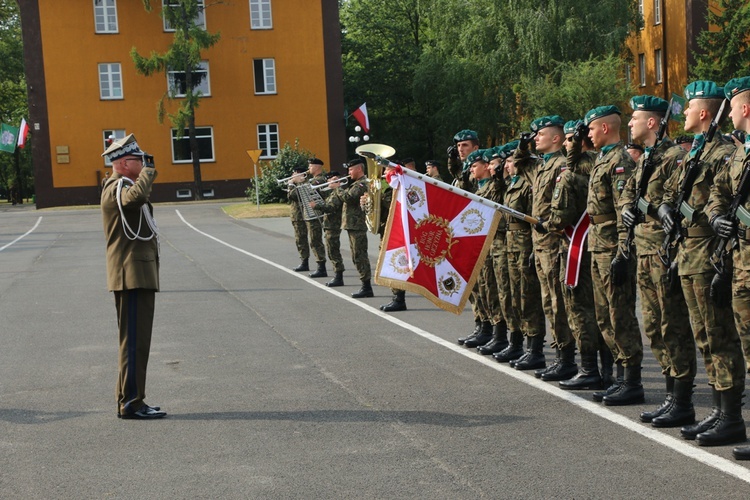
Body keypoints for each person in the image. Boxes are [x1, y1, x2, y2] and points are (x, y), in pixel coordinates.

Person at [667, 79, 744, 447]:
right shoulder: (698, 152)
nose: (682, 112)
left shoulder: (723, 152)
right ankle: (719, 411)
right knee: (705, 336)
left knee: (719, 335)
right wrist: (671, 208)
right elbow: (713, 197)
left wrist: (715, 223)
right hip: (692, 251)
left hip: (712, 254)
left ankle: (730, 416)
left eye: (688, 107)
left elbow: (725, 198)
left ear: (703, 113)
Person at [621, 95, 696, 426]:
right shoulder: (646, 159)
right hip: (643, 250)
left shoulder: (674, 158)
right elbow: (629, 192)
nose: (630, 123)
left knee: (672, 324)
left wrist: (646, 206)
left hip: (664, 252)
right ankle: (669, 396)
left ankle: (682, 401)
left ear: (652, 122)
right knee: (653, 326)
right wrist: (627, 206)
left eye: (635, 118)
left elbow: (674, 201)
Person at [100, 134, 166, 419]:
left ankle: (130, 399)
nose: (143, 164)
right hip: (131, 274)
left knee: (135, 341)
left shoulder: (120, 184)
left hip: (134, 272)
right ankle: (131, 402)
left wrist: (144, 173)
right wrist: (149, 172)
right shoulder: (119, 187)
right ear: (125, 163)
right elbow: (134, 198)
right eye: (138, 160)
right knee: (135, 342)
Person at [584, 105, 643, 406]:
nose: (588, 135)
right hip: (598, 244)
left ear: (605, 128)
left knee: (620, 314)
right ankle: (619, 376)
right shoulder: (601, 159)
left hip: (612, 247)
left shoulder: (619, 161)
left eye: (592, 129)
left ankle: (631, 380)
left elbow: (625, 212)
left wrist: (623, 252)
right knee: (604, 314)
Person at [707, 76, 750, 459]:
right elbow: (716, 195)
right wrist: (718, 217)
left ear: (746, 108)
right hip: (739, 263)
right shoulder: (738, 155)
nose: (730, 113)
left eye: (733, 106)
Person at [548, 120, 604, 390]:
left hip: (580, 247)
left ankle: (591, 369)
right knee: (592, 309)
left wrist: (548, 224)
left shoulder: (576, 170)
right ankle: (598, 369)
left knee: (582, 310)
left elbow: (562, 213)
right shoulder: (591, 163)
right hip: (585, 244)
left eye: (571, 139)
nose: (566, 144)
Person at [525, 115, 578, 380]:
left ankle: (566, 357)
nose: (535, 138)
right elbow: (521, 162)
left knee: (558, 302)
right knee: (549, 301)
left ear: (556, 138)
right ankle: (559, 354)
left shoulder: (561, 165)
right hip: (542, 244)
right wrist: (524, 143)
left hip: (556, 244)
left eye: (540, 134)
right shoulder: (542, 166)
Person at [317, 158, 373, 298]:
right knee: (356, 256)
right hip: (351, 225)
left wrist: (337, 187)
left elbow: (348, 198)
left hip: (357, 225)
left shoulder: (362, 184)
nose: (349, 172)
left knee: (360, 256)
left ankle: (367, 287)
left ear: (359, 169)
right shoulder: (355, 184)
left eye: (351, 169)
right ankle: (365, 286)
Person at [317, 170, 346, 287]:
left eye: (331, 179)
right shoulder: (333, 193)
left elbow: (330, 207)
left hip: (334, 226)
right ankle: (337, 275)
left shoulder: (338, 193)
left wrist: (317, 205)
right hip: (329, 225)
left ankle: (338, 277)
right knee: (331, 251)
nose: (328, 181)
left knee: (333, 251)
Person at [306, 157, 329, 278]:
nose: (308, 168)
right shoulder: (312, 180)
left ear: (316, 167)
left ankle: (321, 267)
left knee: (316, 241)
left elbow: (306, 190)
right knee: (313, 241)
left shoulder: (320, 180)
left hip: (317, 215)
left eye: (310, 166)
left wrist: (298, 182)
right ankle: (320, 265)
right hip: (312, 214)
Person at [287, 165, 311, 271]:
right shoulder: (298, 184)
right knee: (299, 240)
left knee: (302, 239)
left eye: (294, 174)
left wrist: (291, 185)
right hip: (296, 216)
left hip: (302, 215)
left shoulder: (304, 184)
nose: (293, 176)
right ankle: (303, 260)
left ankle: (305, 262)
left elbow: (292, 196)